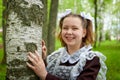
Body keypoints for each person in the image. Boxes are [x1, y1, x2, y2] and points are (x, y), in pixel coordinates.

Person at [26, 11, 107, 80]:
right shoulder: (55, 57)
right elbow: (45, 70)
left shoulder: (91, 60)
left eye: (74, 28)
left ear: (84, 32)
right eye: (65, 28)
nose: (69, 32)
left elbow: (44, 74)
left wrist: (45, 76)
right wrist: (43, 58)